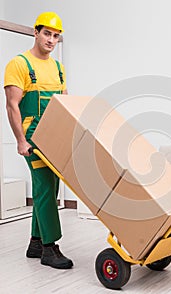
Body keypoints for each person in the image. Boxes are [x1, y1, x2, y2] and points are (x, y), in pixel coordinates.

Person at [4, 12, 73, 269]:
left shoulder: (58, 67)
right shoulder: (19, 64)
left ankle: (35, 242)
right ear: (36, 32)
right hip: (32, 137)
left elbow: (65, 104)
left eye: (56, 36)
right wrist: (20, 141)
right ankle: (49, 248)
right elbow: (12, 106)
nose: (51, 40)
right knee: (45, 185)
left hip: (53, 136)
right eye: (47, 33)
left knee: (50, 187)